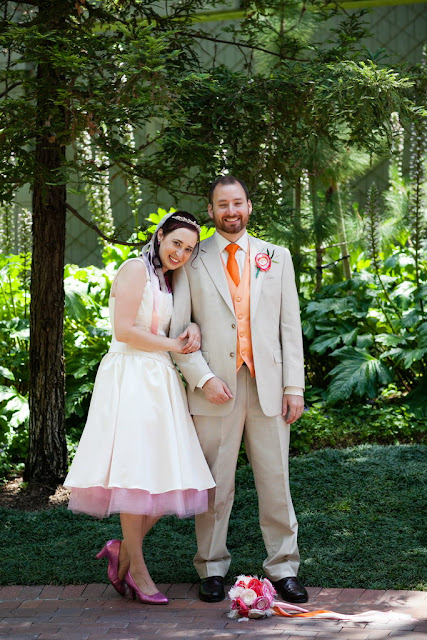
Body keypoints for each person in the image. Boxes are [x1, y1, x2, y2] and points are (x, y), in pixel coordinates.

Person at [64, 212, 215, 605]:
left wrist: (192, 329)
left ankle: (122, 551)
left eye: (189, 248)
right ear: (160, 235)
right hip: (131, 377)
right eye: (175, 243)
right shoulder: (135, 268)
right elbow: (124, 330)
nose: (180, 253)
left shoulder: (169, 280)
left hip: (160, 379)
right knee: (136, 474)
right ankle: (138, 571)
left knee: (163, 474)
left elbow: (179, 320)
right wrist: (176, 345)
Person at [170, 176, 308, 605]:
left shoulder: (276, 257)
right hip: (215, 390)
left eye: (238, 203)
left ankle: (283, 567)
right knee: (215, 485)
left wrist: (294, 386)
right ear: (210, 211)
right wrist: (203, 378)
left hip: (268, 386)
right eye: (222, 205)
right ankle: (211, 568)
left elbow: (290, 328)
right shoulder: (191, 259)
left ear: (249, 207)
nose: (231, 211)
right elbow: (178, 331)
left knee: (276, 481)